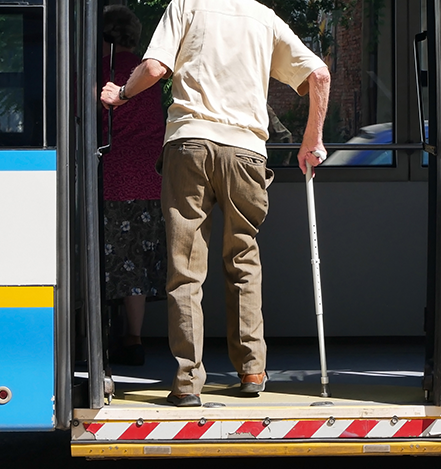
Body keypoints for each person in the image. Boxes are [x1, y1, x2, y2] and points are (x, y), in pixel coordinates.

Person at [101, 0, 331, 407]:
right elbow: (318, 74)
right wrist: (311, 140)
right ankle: (252, 370)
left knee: (186, 268)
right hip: (246, 151)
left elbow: (155, 69)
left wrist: (120, 93)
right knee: (243, 257)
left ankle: (188, 380)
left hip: (190, 143)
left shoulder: (186, 6)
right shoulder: (263, 17)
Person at [101, 5, 167, 366]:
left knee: (111, 257)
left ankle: (100, 335)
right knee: (137, 263)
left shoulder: (101, 71)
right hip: (149, 177)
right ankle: (134, 337)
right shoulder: (147, 70)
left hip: (112, 175)